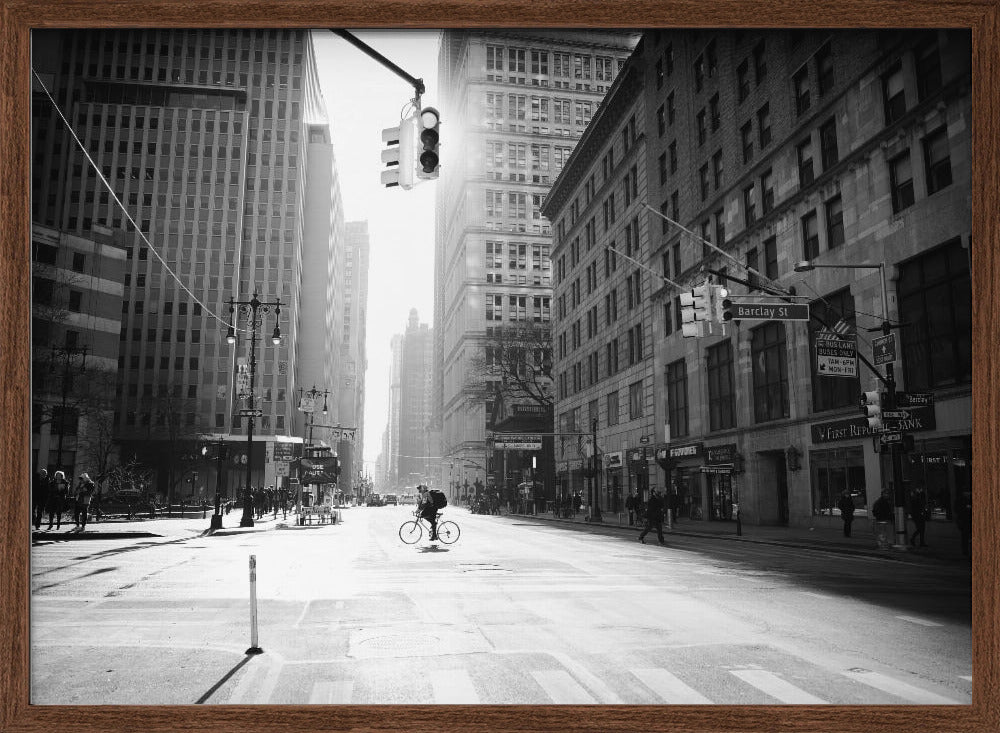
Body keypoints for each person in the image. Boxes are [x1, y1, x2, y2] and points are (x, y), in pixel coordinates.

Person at [955, 491, 971, 558]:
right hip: (964, 520)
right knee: (965, 536)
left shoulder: (963, 499)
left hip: (966, 519)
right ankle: (965, 550)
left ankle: (966, 550)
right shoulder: (961, 500)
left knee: (965, 536)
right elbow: (957, 509)